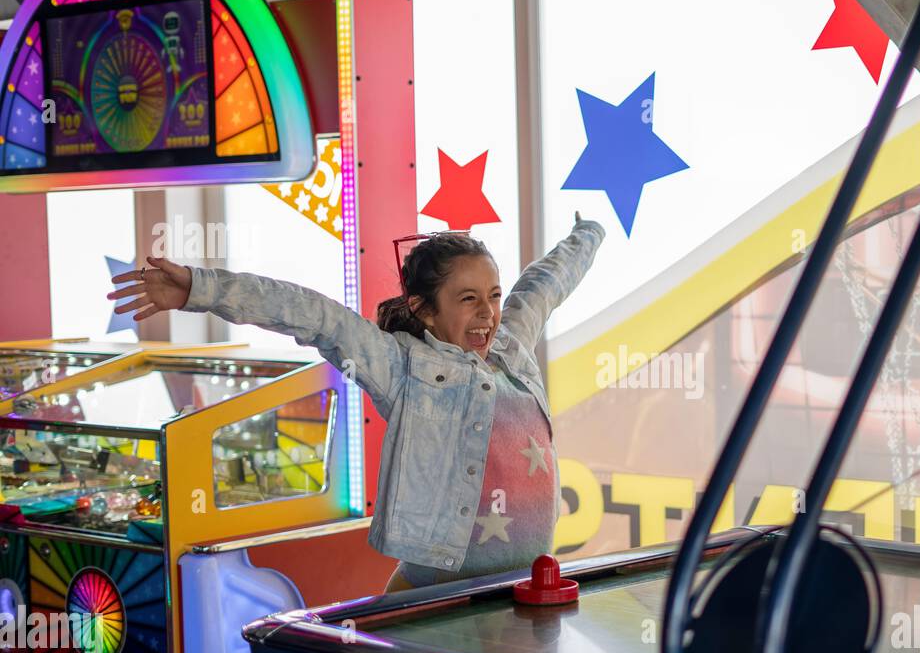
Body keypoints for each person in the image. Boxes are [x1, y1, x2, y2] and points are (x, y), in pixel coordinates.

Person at [109, 212, 606, 591]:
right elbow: (311, 314)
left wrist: (591, 232)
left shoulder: (510, 347)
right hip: (439, 600)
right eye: (468, 298)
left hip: (523, 587)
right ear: (423, 310)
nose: (488, 313)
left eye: (493, 296)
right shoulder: (400, 366)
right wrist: (201, 287)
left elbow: (546, 282)